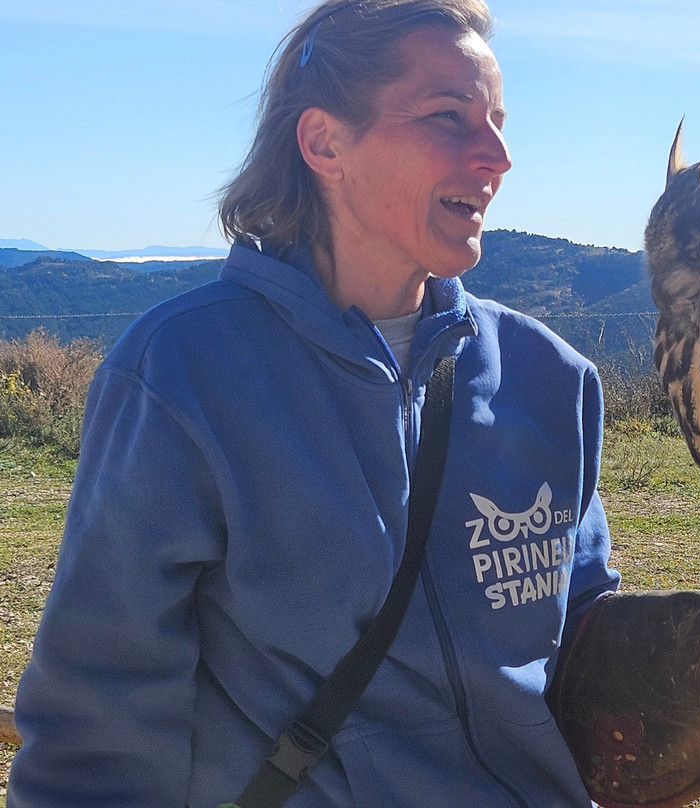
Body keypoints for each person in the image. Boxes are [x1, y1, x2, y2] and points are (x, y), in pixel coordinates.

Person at [8, 1, 621, 805]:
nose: (497, 155)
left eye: (499, 122)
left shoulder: (550, 377)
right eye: (450, 116)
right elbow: (101, 718)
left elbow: (584, 637)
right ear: (325, 142)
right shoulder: (184, 374)